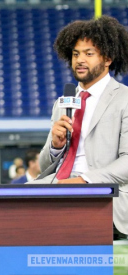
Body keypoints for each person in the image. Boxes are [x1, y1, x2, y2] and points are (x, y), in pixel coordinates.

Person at [31, 16, 128, 238]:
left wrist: (85, 180)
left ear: (108, 58)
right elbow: (45, 165)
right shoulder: (62, 102)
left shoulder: (125, 99)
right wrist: (56, 146)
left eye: (88, 53)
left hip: (103, 196)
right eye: (76, 54)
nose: (80, 60)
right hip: (59, 188)